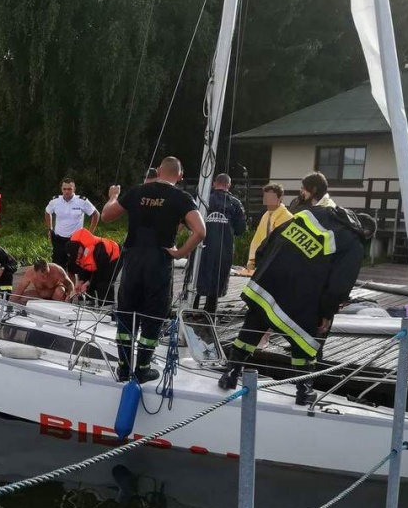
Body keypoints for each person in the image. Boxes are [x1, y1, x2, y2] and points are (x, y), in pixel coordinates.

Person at [218, 177, 374, 405]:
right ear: (366, 233)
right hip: (300, 294)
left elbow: (267, 243)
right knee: (304, 339)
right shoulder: (354, 243)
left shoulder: (314, 213)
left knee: (253, 325)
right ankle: (303, 390)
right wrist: (326, 314)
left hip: (269, 281)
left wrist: (264, 270)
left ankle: (230, 375)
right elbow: (339, 286)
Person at [101, 157, 206, 383]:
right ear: (179, 176)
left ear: (158, 171)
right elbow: (200, 231)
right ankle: (143, 368)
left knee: (127, 314)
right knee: (152, 315)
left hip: (133, 260)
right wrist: (180, 253)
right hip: (159, 261)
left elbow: (106, 216)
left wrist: (113, 196)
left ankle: (123, 367)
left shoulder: (138, 191)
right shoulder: (181, 198)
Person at [194, 174, 246, 314]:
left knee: (196, 273)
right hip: (224, 246)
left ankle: (192, 307)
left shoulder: (203, 200)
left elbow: (190, 223)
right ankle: (210, 312)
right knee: (218, 277)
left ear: (214, 183)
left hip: (201, 243)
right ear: (229, 185)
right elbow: (241, 229)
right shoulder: (235, 203)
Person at [44, 178, 99, 268]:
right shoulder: (55, 201)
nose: (67, 192)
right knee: (57, 267)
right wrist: (50, 228)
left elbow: (96, 214)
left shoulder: (82, 201)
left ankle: (72, 282)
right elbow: (47, 212)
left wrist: (89, 233)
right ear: (61, 189)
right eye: (64, 189)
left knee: (72, 269)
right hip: (59, 239)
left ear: (74, 189)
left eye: (69, 189)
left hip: (75, 240)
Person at [65, 228, 121, 306]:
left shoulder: (98, 249)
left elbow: (100, 273)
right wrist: (81, 281)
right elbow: (85, 268)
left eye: (77, 255)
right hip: (98, 265)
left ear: (80, 249)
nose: (77, 258)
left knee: (103, 285)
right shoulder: (78, 252)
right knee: (86, 285)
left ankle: (108, 310)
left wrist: (87, 284)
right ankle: (88, 303)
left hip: (113, 258)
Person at [247, 183, 293, 271]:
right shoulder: (266, 215)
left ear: (280, 198)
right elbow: (258, 239)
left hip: (279, 263)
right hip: (264, 260)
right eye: (266, 197)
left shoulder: (288, 218)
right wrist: (252, 260)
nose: (268, 200)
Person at [11, 258, 75, 304]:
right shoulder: (30, 274)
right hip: (40, 295)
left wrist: (69, 296)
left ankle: (59, 307)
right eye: (42, 275)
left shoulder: (57, 270)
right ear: (35, 272)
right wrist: (11, 302)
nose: (45, 276)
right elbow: (20, 289)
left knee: (60, 291)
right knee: (23, 298)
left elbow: (69, 284)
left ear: (48, 267)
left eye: (47, 273)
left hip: (56, 295)